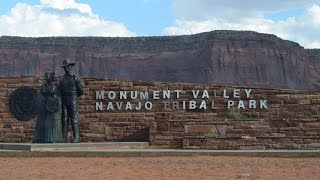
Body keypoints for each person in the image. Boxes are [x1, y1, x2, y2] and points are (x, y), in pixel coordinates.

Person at [33, 72, 63, 143]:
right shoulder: (43, 87)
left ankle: (54, 139)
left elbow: (59, 97)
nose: (45, 78)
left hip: (52, 107)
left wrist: (56, 105)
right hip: (43, 106)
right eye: (45, 76)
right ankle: (39, 139)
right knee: (41, 122)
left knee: (52, 123)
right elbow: (40, 95)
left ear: (51, 77)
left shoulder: (56, 87)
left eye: (47, 76)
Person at [59, 58, 83, 143]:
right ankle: (63, 138)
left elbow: (80, 91)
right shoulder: (62, 78)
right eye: (65, 67)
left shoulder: (75, 77)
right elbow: (60, 90)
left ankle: (76, 137)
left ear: (70, 66)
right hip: (65, 99)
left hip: (73, 98)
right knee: (64, 119)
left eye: (67, 66)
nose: (66, 68)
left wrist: (74, 97)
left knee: (74, 118)